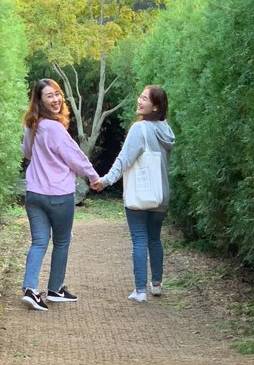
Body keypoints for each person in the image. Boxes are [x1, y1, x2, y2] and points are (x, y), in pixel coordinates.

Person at [21, 78, 100, 311]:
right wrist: (93, 176)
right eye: (49, 96)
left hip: (34, 193)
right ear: (40, 101)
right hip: (58, 195)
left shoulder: (32, 124)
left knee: (39, 242)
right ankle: (55, 289)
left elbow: (26, 152)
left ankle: (30, 289)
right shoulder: (54, 128)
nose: (56, 99)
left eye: (57, 94)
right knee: (62, 240)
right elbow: (74, 156)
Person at [93, 86, 174, 302]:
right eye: (140, 96)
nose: (139, 101)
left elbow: (124, 160)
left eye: (144, 99)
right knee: (154, 239)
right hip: (161, 194)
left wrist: (105, 181)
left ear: (155, 106)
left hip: (141, 194)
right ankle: (156, 284)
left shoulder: (140, 129)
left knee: (139, 239)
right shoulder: (166, 130)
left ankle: (140, 290)